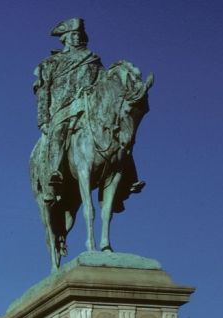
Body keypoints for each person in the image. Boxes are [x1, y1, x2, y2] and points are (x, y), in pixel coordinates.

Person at [33, 18, 144, 203]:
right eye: (73, 35)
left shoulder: (92, 59)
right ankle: (55, 173)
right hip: (62, 108)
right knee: (58, 132)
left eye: (79, 35)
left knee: (119, 135)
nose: (76, 38)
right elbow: (43, 91)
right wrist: (43, 119)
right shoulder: (51, 62)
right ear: (65, 38)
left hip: (88, 107)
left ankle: (127, 180)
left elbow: (104, 80)